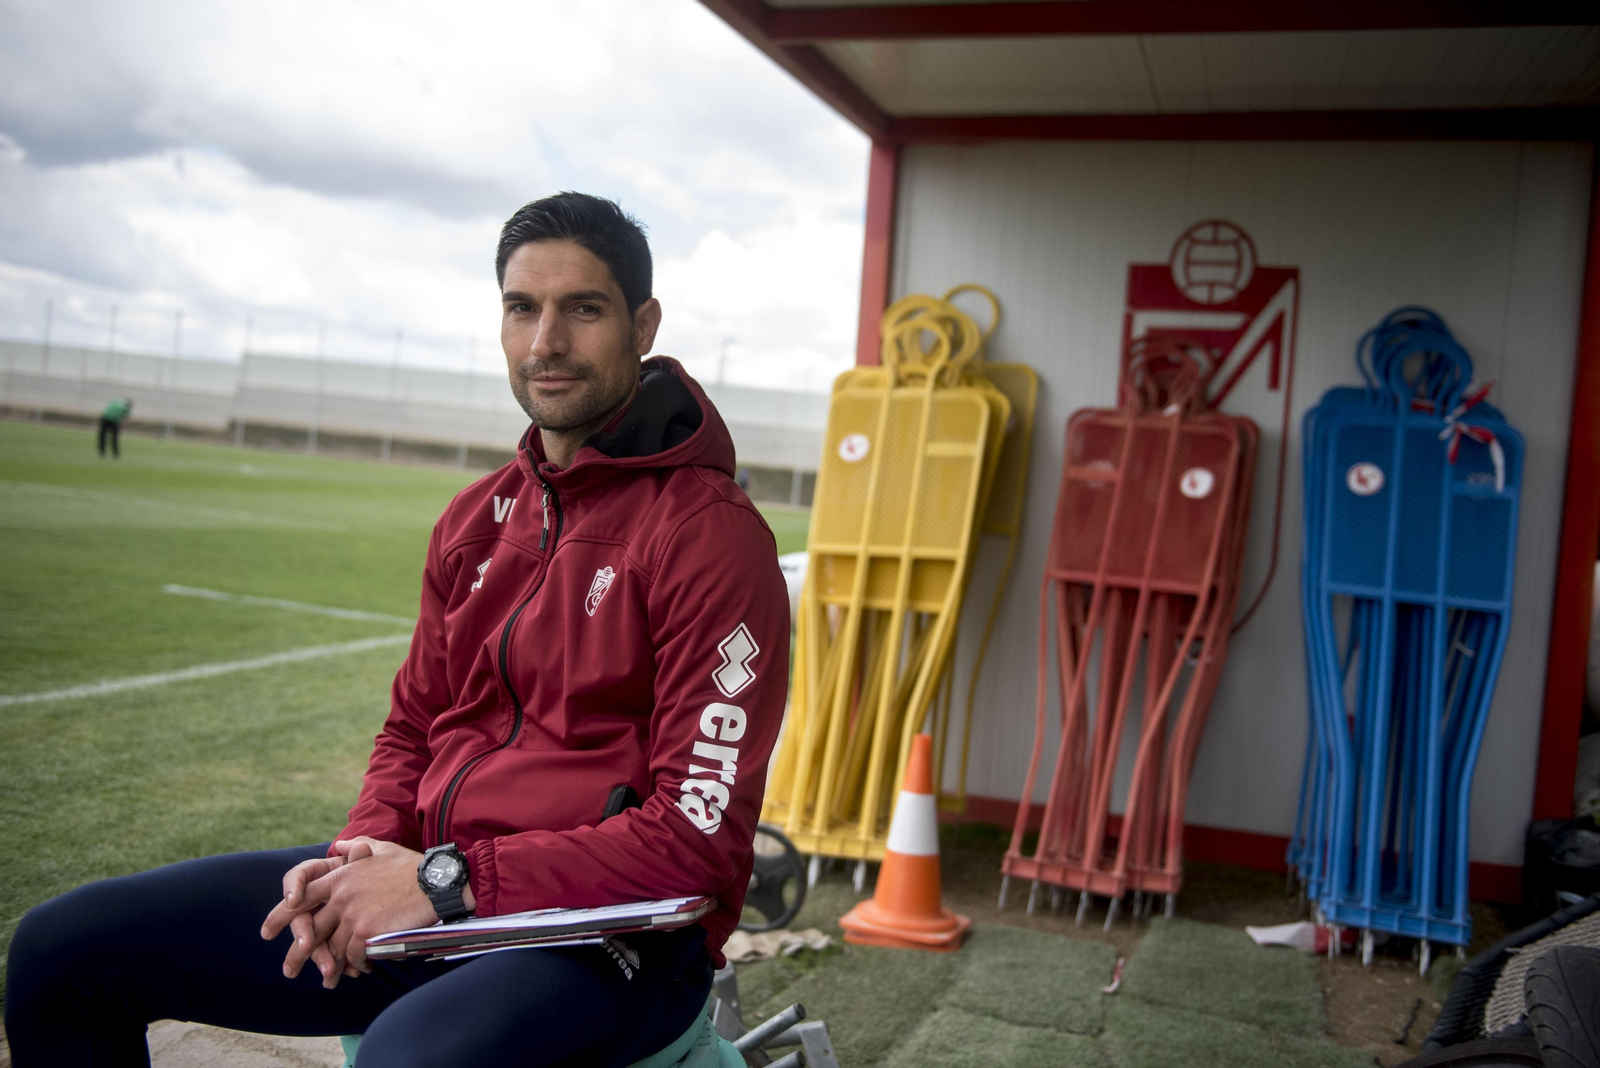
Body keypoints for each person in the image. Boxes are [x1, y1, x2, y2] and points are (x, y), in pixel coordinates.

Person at [6, 192, 790, 1068]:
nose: (546, 343)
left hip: (605, 935)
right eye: (522, 307)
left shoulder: (708, 533)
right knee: (62, 954)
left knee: (409, 1058)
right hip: (436, 892)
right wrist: (368, 846)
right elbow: (415, 724)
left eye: (584, 308)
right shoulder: (475, 518)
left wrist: (442, 883)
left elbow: (691, 845)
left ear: (643, 325)